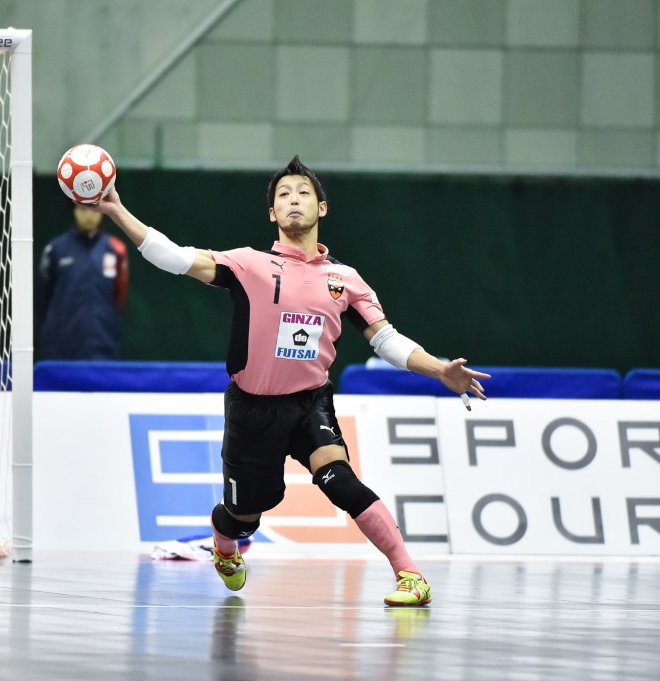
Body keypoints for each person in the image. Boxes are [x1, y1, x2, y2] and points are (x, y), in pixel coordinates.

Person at [94, 156, 488, 606]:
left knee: (340, 481)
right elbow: (176, 258)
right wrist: (116, 210)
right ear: (272, 214)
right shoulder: (249, 264)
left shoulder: (346, 280)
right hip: (251, 409)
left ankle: (410, 575)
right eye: (283, 194)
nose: (293, 199)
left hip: (309, 403)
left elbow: (386, 340)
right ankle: (224, 545)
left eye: (303, 192)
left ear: (322, 208)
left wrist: (440, 370)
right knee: (243, 516)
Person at [37, 202, 130, 359]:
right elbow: (41, 298)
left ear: (102, 212)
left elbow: (119, 297)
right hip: (60, 350)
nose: (88, 215)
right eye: (82, 209)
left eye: (94, 209)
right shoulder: (55, 249)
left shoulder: (116, 249)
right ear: (74, 211)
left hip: (103, 346)